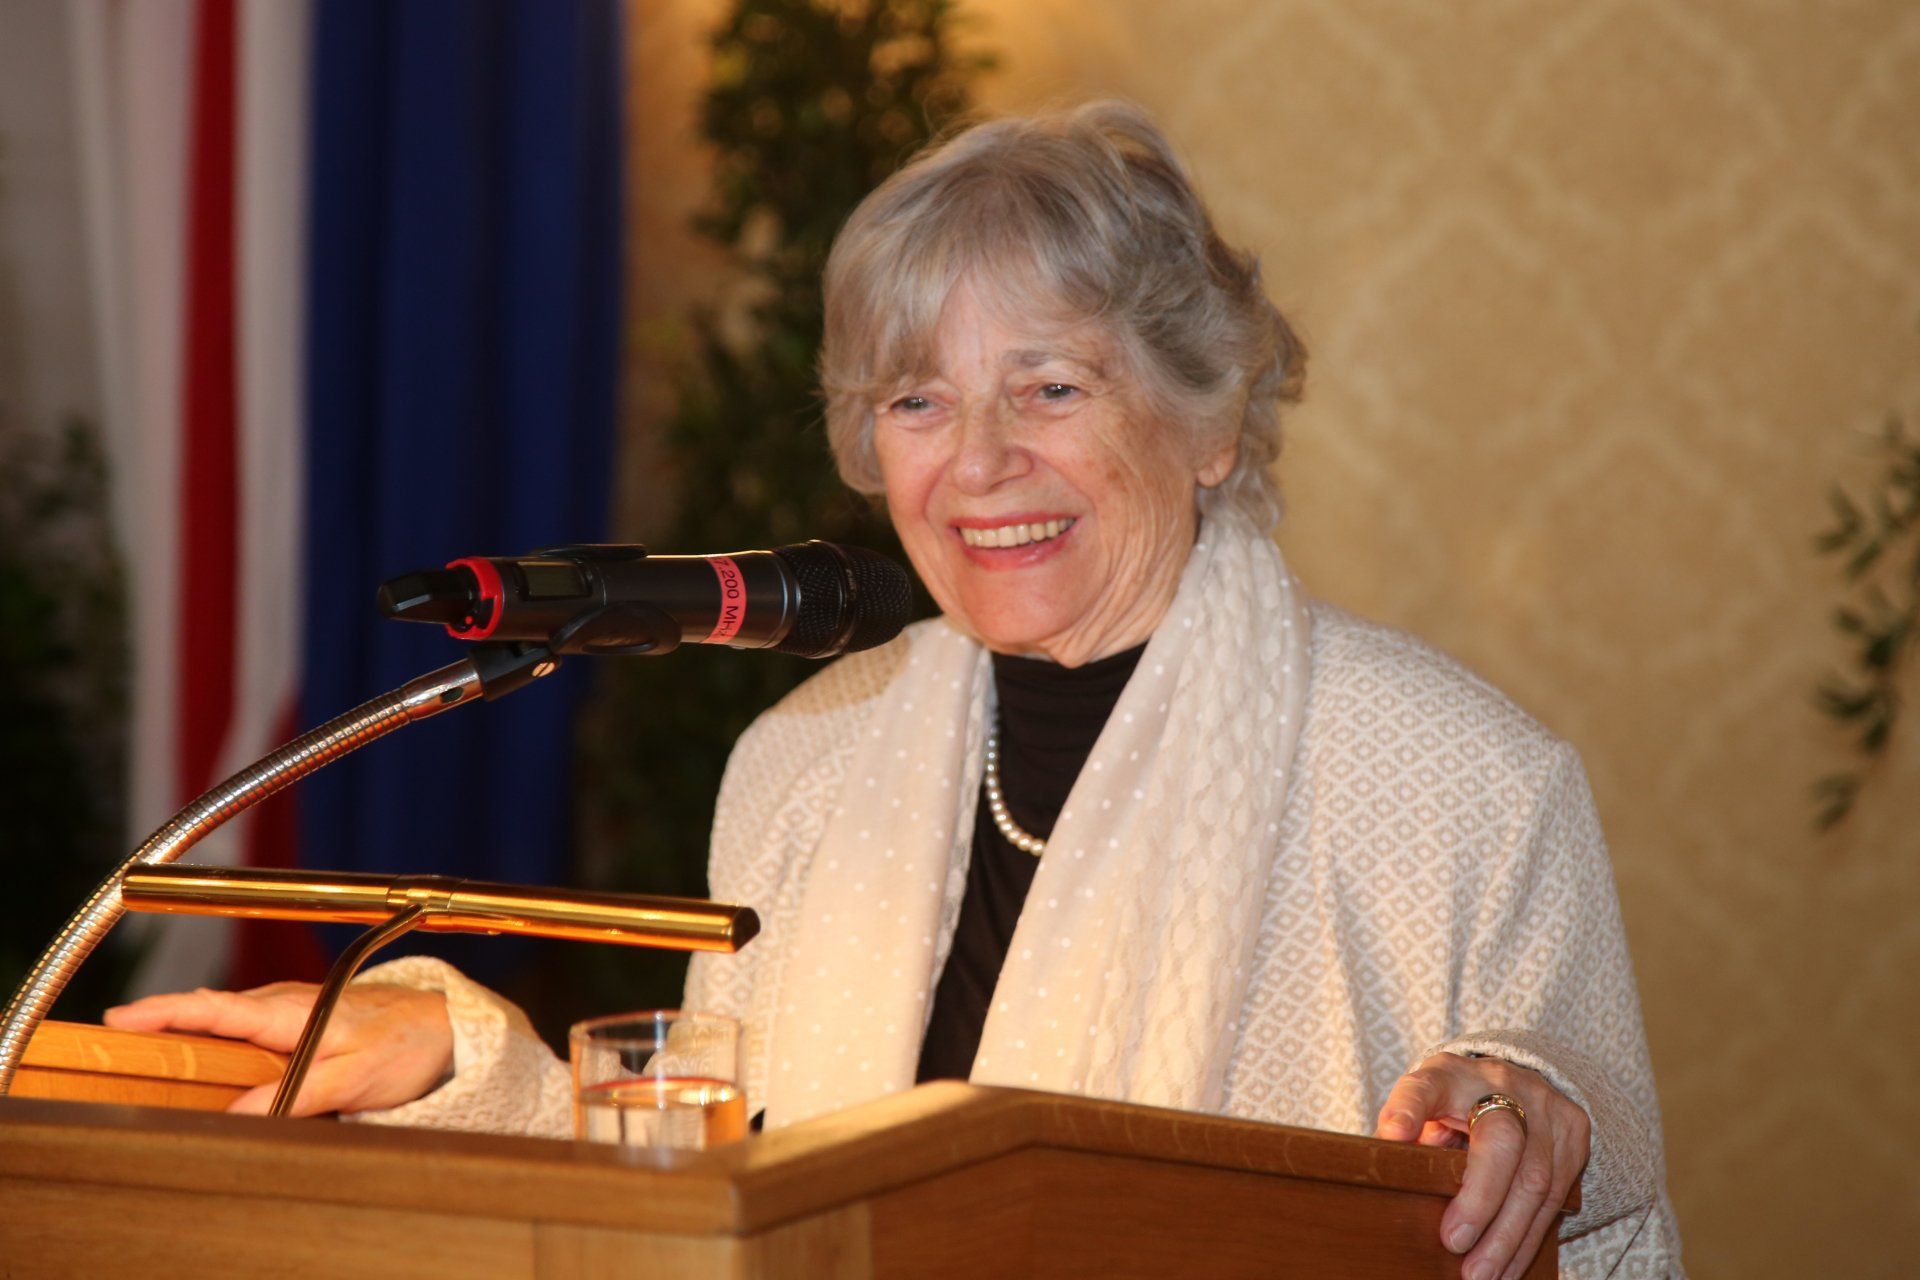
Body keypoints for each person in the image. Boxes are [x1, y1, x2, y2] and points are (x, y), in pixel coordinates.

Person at [108, 102, 1683, 1278]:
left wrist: (1536, 1122)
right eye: (919, 400)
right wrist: (465, 1062)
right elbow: (728, 1202)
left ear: (1209, 422)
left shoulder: (1461, 779)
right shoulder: (804, 758)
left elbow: (1585, 1193)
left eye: (1050, 387)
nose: (979, 464)